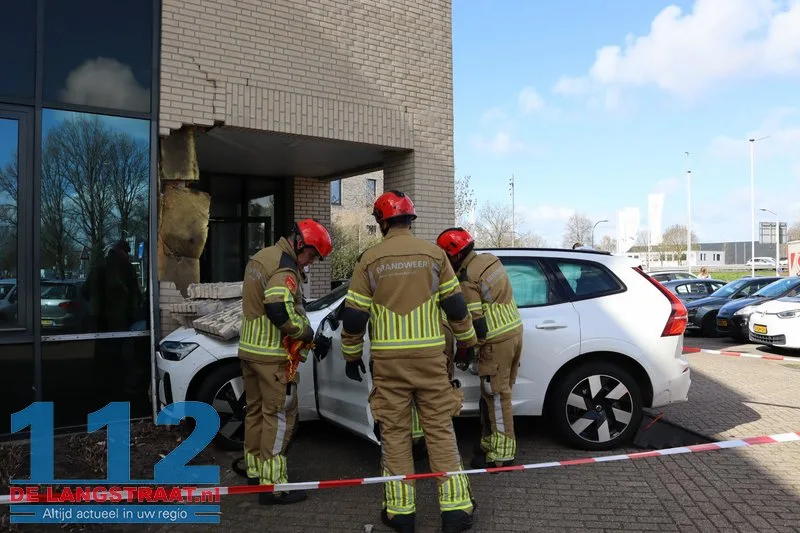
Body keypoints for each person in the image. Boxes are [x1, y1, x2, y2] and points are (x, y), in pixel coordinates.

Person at [341, 191, 478, 533]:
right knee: (441, 432)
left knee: (396, 435)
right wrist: (468, 342)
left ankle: (401, 514)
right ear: (409, 220)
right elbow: (457, 307)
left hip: (389, 366)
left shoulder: (370, 259)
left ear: (381, 221)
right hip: (432, 360)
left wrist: (351, 353)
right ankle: (456, 511)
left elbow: (355, 316)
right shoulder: (434, 255)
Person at [238, 219, 332, 505]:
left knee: (254, 412)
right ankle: (274, 486)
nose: (311, 262)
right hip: (272, 357)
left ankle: (255, 472)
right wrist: (306, 333)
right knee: (278, 419)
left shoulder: (261, 257)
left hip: (250, 351)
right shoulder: (284, 268)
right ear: (300, 243)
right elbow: (278, 308)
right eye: (312, 255)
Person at [436, 227, 524, 469]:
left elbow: (478, 325)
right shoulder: (489, 260)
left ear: (453, 255)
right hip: (514, 332)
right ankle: (489, 440)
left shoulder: (466, 279)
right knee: (492, 392)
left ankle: (503, 453)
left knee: (497, 395)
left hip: (495, 340)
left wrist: (467, 349)